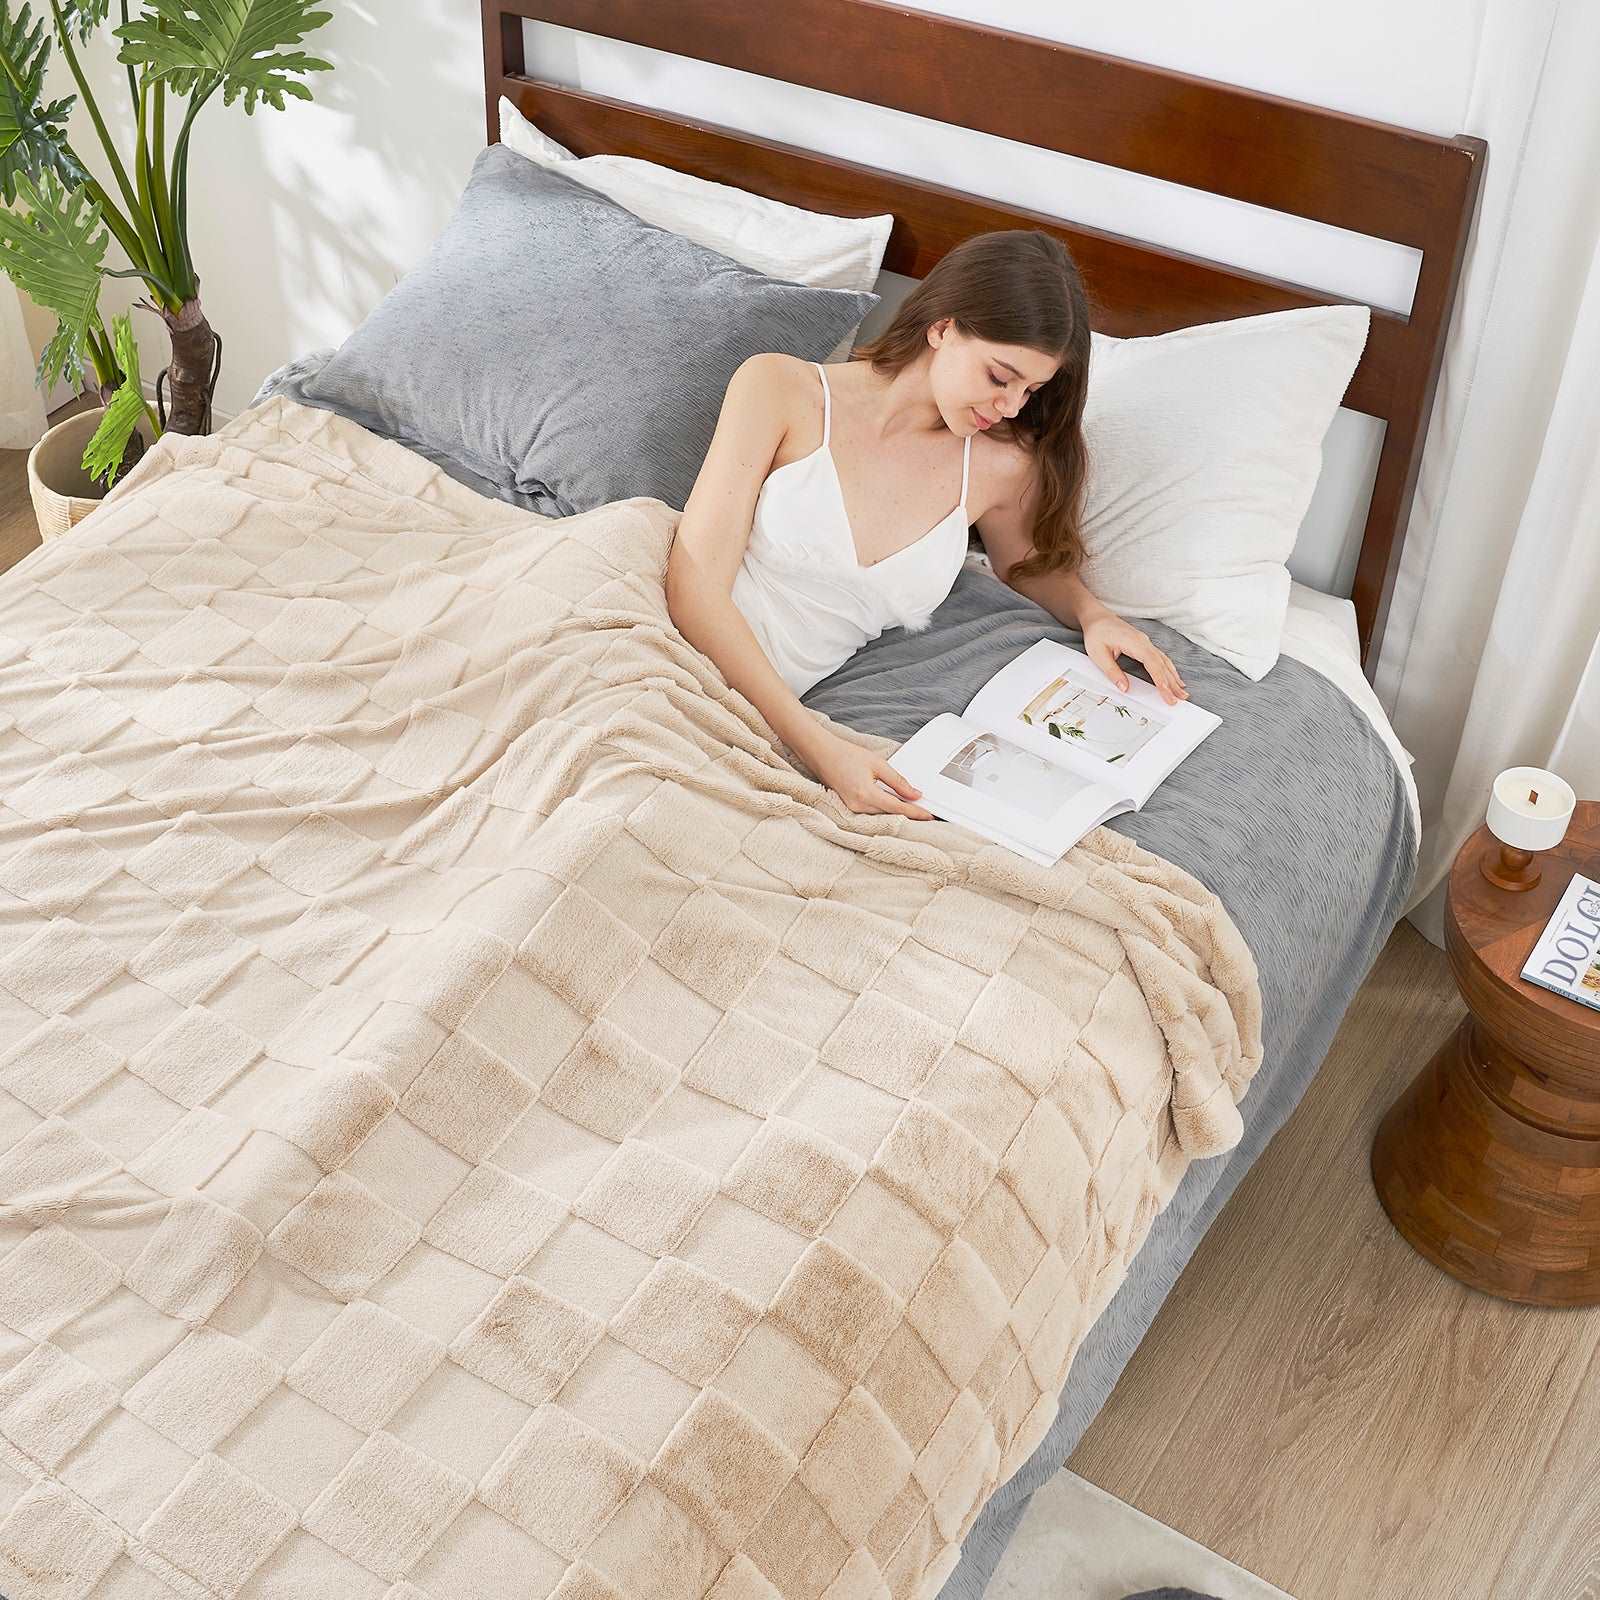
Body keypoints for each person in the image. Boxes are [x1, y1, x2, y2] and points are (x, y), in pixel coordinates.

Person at [665, 229, 1187, 822]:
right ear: (942, 327)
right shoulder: (781, 389)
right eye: (999, 376)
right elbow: (695, 587)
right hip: (672, 657)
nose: (1012, 406)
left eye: (1031, 390)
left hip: (779, 713)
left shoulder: (999, 463)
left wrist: (1095, 617)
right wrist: (820, 749)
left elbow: (1024, 565)